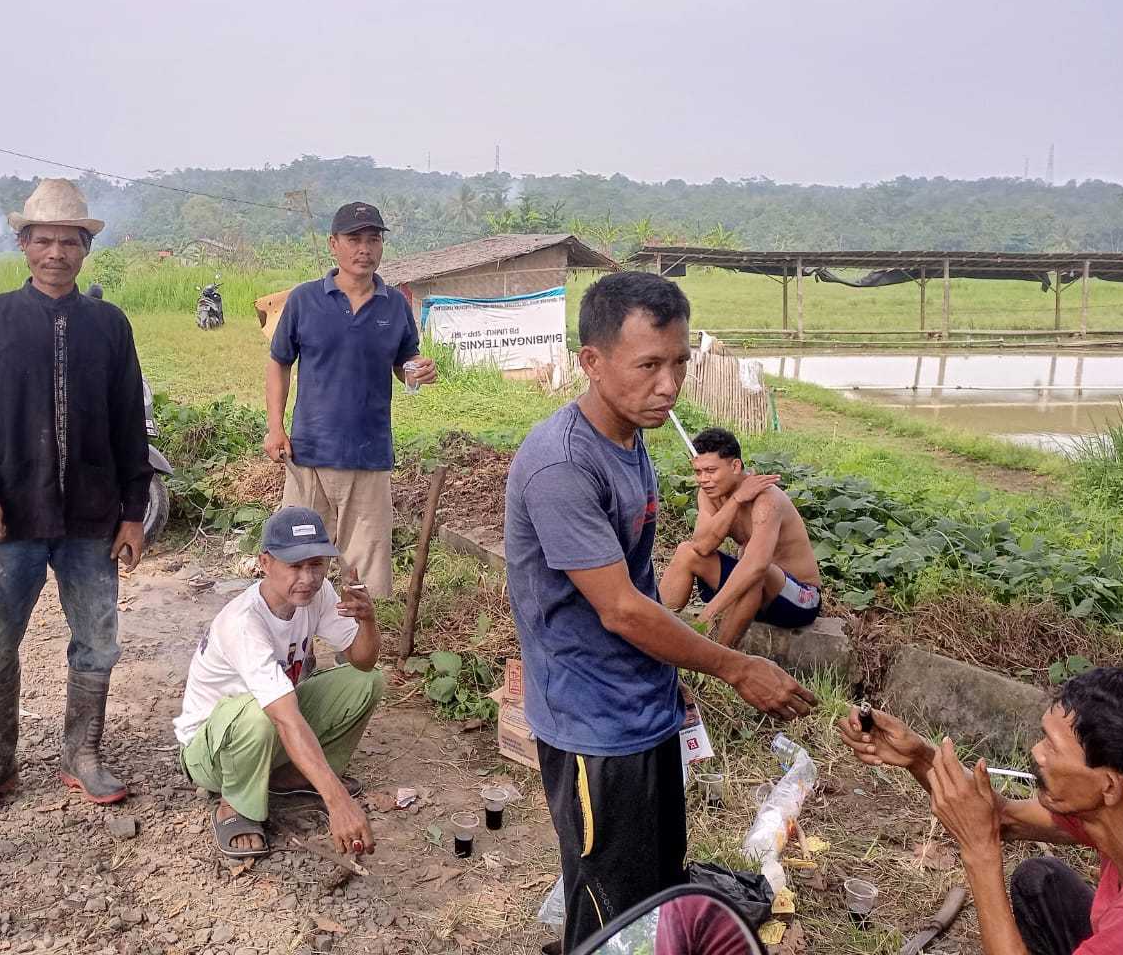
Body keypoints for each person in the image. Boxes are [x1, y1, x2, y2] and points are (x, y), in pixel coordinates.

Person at [505, 271, 816, 953]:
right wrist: (735, 666)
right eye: (648, 365)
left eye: (678, 363)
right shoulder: (561, 465)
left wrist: (663, 663)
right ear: (590, 361)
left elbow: (638, 581)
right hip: (592, 724)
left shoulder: (628, 438)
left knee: (652, 883)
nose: (669, 386)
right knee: (606, 901)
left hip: (638, 703)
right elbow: (618, 609)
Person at [0, 178, 152, 821]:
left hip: (91, 519)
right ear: (24, 244)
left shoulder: (109, 325)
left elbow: (127, 426)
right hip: (11, 520)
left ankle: (81, 753)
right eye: (44, 240)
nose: (56, 252)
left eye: (69, 241)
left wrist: (132, 512)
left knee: (97, 640)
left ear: (85, 250)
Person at [838, 667, 1123, 955]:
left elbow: (988, 829)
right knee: (1039, 880)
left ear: (1109, 786)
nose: (1038, 753)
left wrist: (980, 851)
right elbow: (1004, 817)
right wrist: (919, 757)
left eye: (1053, 747)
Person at [173, 506, 383, 860]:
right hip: (209, 752)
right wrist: (339, 803)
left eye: (316, 564)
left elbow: (363, 661)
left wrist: (368, 621)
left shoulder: (318, 595)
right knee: (261, 714)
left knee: (367, 683)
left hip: (267, 727)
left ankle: (290, 777)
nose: (307, 578)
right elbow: (285, 718)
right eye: (295, 566)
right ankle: (234, 805)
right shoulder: (245, 622)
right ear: (265, 563)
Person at [264, 202, 436, 597]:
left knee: (365, 573)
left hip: (369, 457)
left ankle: (359, 653)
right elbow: (279, 364)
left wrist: (416, 370)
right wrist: (275, 428)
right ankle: (301, 649)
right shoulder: (305, 300)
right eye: (354, 239)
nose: (365, 249)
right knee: (299, 562)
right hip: (310, 454)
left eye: (373, 239)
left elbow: (403, 362)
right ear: (333, 245)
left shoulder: (395, 305)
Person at [658, 427, 823, 649]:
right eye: (698, 472)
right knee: (686, 552)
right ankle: (655, 640)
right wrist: (736, 500)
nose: (703, 479)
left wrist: (707, 614)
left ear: (735, 466)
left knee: (755, 573)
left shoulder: (767, 500)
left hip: (798, 599)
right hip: (754, 595)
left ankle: (715, 661)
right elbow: (702, 546)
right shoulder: (709, 493)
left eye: (711, 470)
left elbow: (757, 566)